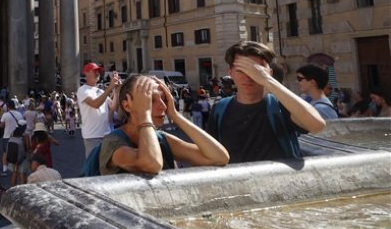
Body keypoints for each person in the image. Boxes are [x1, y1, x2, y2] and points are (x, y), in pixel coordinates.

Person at [207, 41, 326, 163]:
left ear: (269, 73)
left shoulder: (281, 105)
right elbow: (211, 154)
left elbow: (317, 125)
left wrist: (268, 81)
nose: (248, 76)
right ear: (230, 72)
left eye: (256, 70)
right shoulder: (219, 109)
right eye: (241, 70)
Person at [99, 75, 230, 175]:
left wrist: (175, 115)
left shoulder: (162, 139)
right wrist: (144, 115)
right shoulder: (113, 143)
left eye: (164, 99)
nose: (163, 106)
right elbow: (152, 164)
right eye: (150, 100)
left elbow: (219, 157)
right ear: (127, 105)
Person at [77, 63, 120, 160]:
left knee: (107, 166)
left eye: (98, 71)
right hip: (92, 136)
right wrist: (109, 88)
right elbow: (95, 104)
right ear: (86, 73)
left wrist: (116, 90)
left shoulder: (101, 91)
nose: (97, 73)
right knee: (94, 167)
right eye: (94, 71)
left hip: (107, 134)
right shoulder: (82, 90)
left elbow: (113, 107)